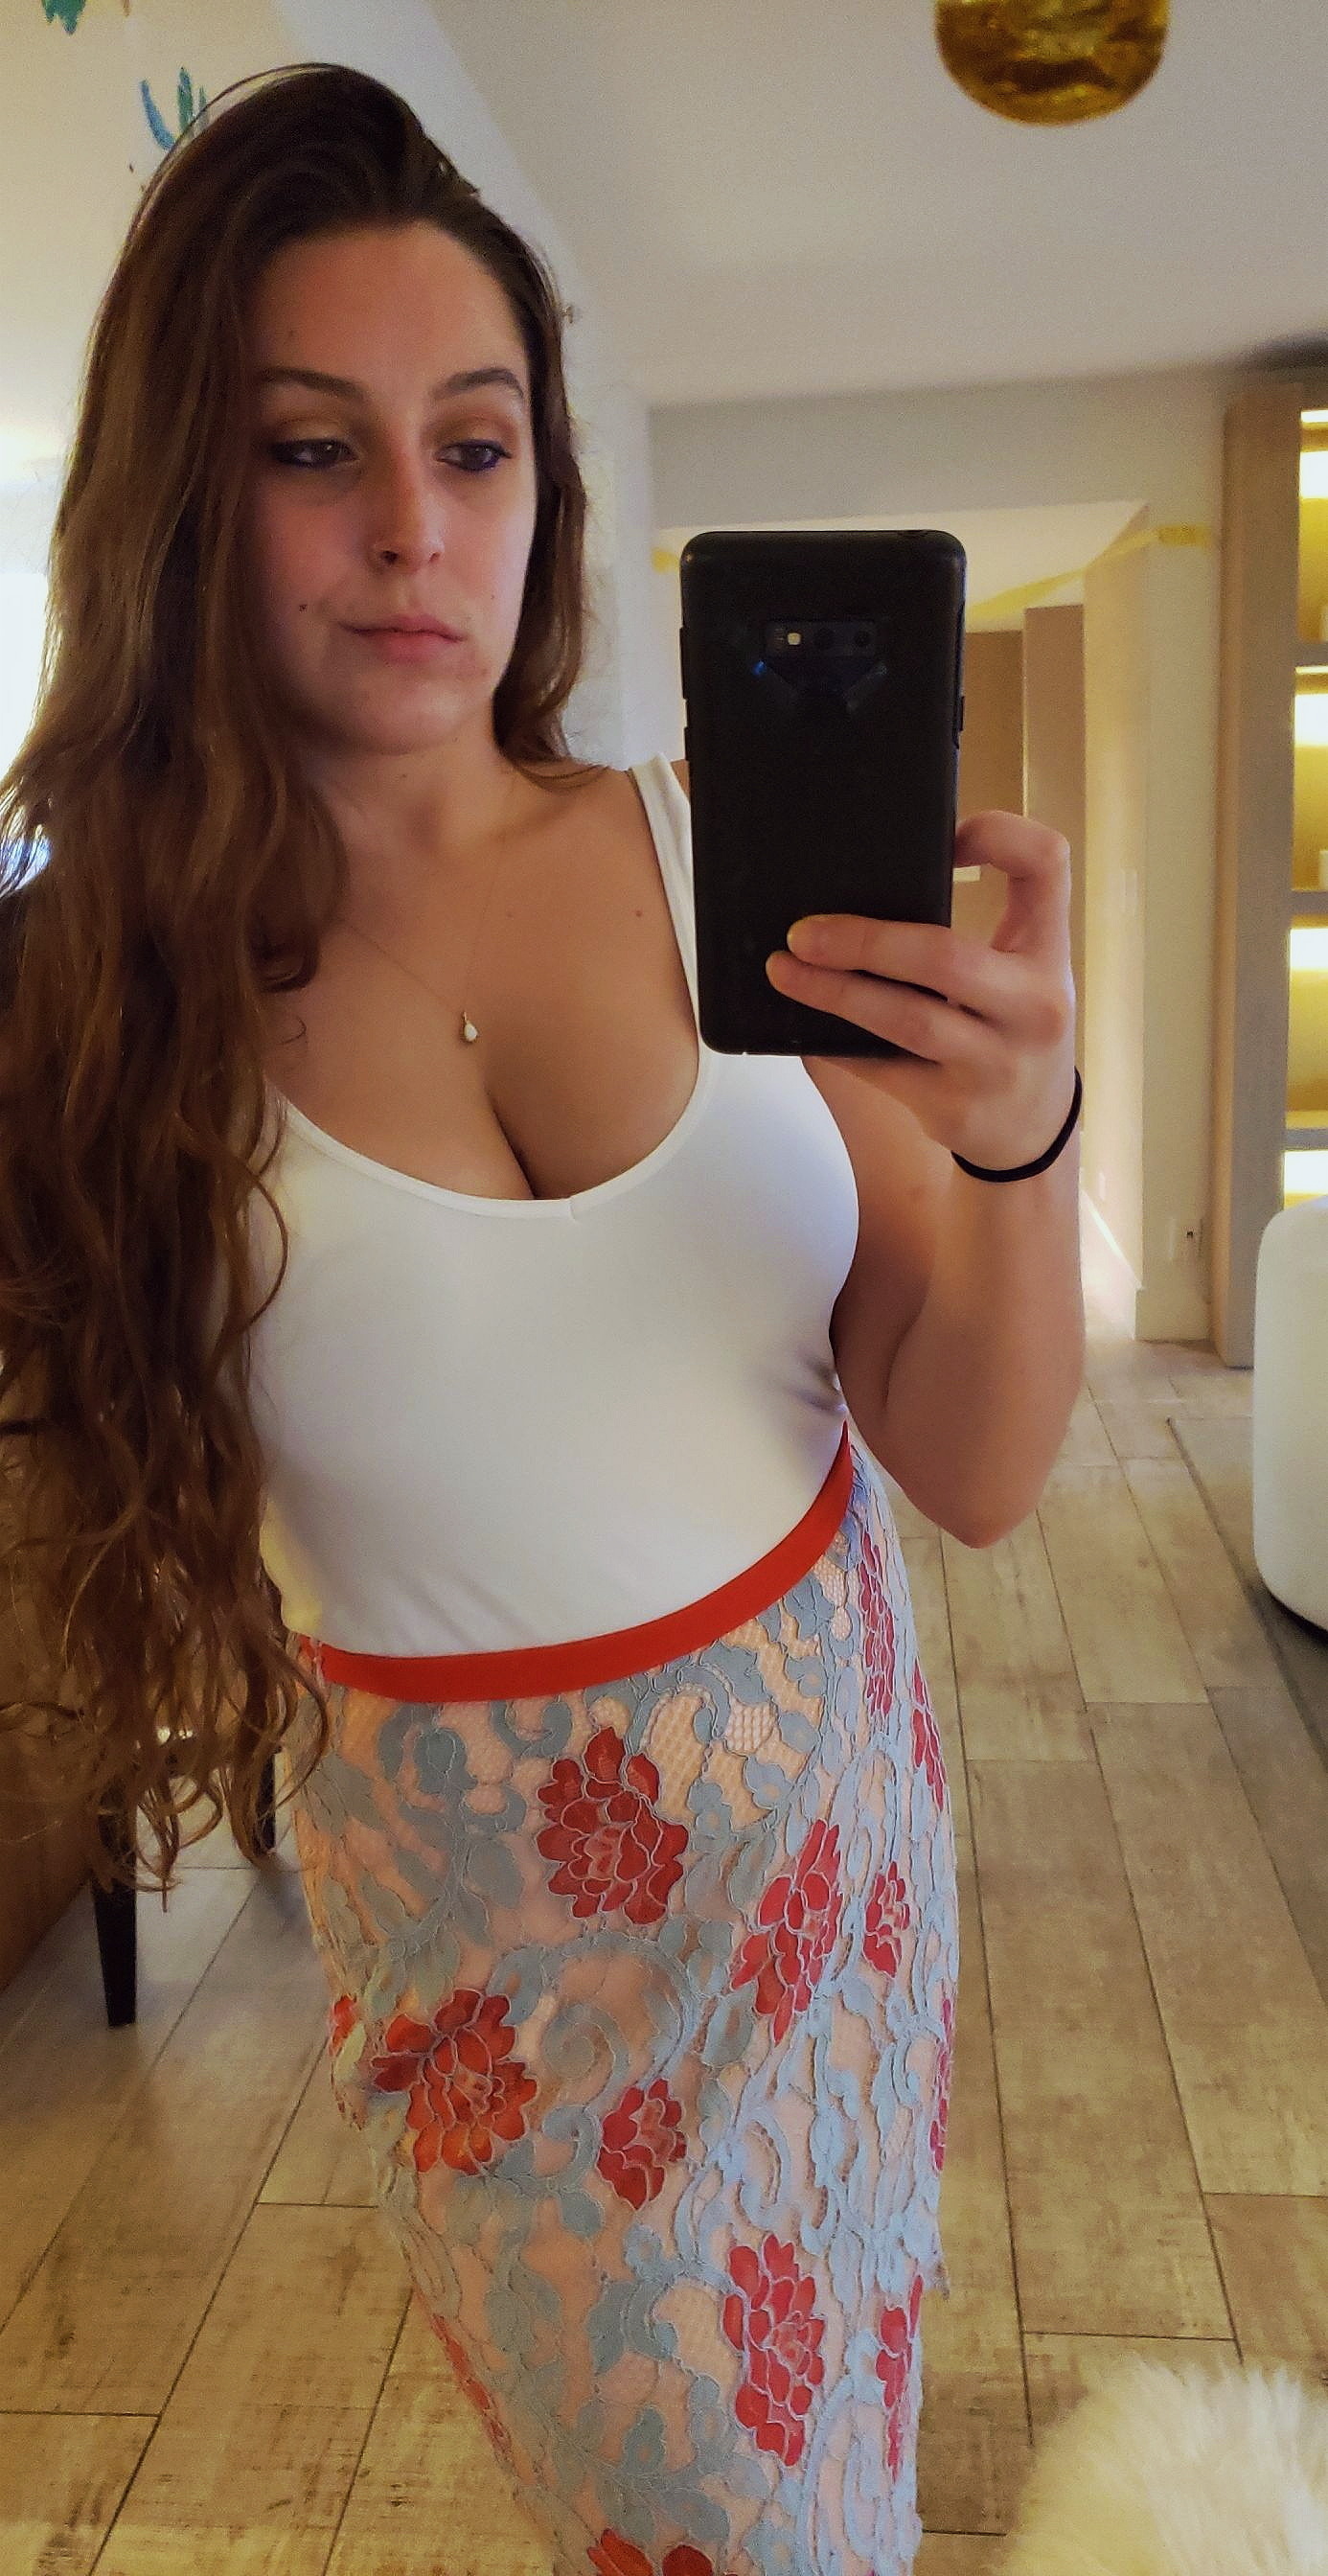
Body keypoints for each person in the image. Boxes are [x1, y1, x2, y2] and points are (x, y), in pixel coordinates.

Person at [0, 59, 1084, 2576]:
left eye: (473, 447)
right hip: (496, 1971)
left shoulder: (723, 861)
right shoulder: (88, 1004)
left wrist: (1026, 1137)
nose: (414, 526)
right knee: (701, 2521)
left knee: (829, 2490)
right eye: (313, 451)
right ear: (184, 499)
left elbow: (980, 1462)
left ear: (544, 489)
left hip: (834, 1851)